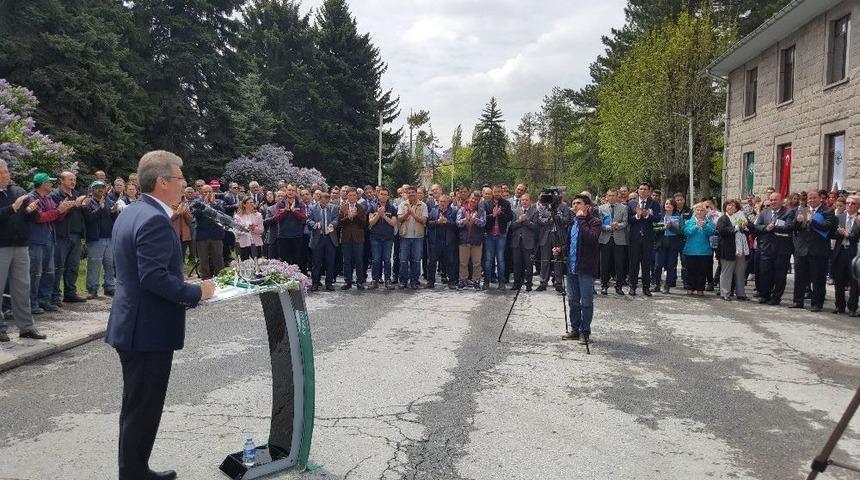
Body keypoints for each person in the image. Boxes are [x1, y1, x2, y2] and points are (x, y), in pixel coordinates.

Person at [105, 151, 215, 480]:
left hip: (132, 323)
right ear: (163, 181)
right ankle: (134, 474)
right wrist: (197, 292)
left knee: (136, 407)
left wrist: (183, 283)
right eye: (181, 179)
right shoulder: (153, 218)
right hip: (146, 329)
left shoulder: (133, 212)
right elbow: (152, 278)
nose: (185, 185)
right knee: (143, 408)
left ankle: (135, 469)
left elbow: (144, 271)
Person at [0, 160, 46, 341]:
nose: (6, 175)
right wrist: (13, 208)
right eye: (2, 172)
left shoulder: (18, 191)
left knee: (22, 288)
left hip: (21, 246)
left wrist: (30, 210)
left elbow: (32, 218)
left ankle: (26, 327)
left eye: (6, 171)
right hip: (1, 246)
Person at [561, 194, 602, 344]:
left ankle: (585, 332)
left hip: (586, 268)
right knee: (573, 300)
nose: (575, 206)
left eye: (578, 203)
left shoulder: (595, 222)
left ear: (587, 206)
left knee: (586, 302)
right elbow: (571, 244)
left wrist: (581, 220)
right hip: (572, 267)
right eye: (573, 203)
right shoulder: (572, 223)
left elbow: (591, 238)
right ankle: (575, 329)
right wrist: (561, 249)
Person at [28, 172, 70, 314]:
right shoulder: (31, 198)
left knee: (49, 271)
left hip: (50, 238)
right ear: (43, 184)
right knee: (35, 273)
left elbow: (56, 217)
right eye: (49, 182)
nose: (52, 184)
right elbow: (39, 217)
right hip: (37, 240)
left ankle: (44, 300)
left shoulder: (47, 198)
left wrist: (63, 210)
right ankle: (32, 303)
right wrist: (58, 210)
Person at [790, 190, 836, 312]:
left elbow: (827, 227)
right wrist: (797, 222)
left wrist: (813, 221)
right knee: (799, 278)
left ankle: (817, 303)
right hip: (802, 250)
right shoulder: (802, 210)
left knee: (818, 278)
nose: (811, 200)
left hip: (818, 251)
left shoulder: (827, 211)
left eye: (814, 198)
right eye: (809, 198)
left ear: (820, 199)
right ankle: (798, 301)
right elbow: (794, 229)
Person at [50, 171, 88, 304]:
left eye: (74, 179)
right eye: (70, 179)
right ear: (61, 181)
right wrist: (74, 205)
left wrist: (84, 206)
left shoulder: (77, 195)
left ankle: (70, 293)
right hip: (61, 235)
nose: (73, 182)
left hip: (76, 235)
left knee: (73, 266)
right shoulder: (55, 195)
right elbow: (56, 213)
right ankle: (54, 295)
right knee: (58, 266)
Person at [83, 180, 118, 299]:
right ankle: (92, 289)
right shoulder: (88, 202)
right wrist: (101, 209)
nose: (100, 189)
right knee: (94, 265)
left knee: (109, 264)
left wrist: (113, 212)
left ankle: (109, 287)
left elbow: (113, 219)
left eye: (102, 187)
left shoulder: (109, 201)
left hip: (109, 238)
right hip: (95, 239)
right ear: (92, 189)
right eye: (97, 187)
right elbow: (89, 218)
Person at [627, 182, 662, 296]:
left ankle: (646, 287)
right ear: (638, 190)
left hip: (648, 238)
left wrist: (647, 215)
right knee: (634, 264)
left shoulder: (654, 204)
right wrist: (637, 216)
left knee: (646, 264)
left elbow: (657, 219)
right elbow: (628, 219)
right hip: (635, 238)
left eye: (645, 189)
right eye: (640, 189)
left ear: (649, 191)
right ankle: (632, 286)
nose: (642, 191)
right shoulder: (632, 203)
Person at [715, 199, 751, 301]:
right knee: (727, 271)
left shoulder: (741, 216)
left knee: (740, 272)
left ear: (736, 208)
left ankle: (741, 293)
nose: (731, 207)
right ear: (725, 207)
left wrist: (746, 226)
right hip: (728, 249)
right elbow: (722, 230)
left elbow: (751, 227)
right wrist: (735, 228)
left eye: (733, 206)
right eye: (728, 205)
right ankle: (725, 293)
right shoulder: (723, 218)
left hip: (741, 249)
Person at [831, 195, 859, 316]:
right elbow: (832, 234)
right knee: (839, 280)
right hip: (840, 251)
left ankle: (852, 307)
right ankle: (839, 305)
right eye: (847, 203)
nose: (849, 205)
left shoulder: (859, 219)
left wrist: (847, 234)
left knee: (854, 282)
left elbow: (856, 237)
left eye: (853, 203)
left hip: (853, 253)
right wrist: (838, 233)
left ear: (858, 206)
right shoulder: (839, 217)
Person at [598, 189, 628, 295]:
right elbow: (598, 223)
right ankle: (604, 285)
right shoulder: (601, 208)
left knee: (619, 264)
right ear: (606, 197)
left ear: (617, 196)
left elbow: (625, 222)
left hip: (619, 239)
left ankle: (619, 286)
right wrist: (607, 227)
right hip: (605, 239)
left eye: (614, 195)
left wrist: (617, 226)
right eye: (609, 195)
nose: (611, 197)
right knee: (604, 263)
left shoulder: (623, 208)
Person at [191, 185, 225, 280]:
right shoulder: (196, 202)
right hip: (202, 235)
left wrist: (213, 203)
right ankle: (205, 278)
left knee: (218, 257)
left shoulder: (218, 202)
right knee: (203, 259)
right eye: (205, 192)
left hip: (216, 234)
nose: (208, 194)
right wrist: (205, 204)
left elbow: (222, 214)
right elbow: (196, 214)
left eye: (209, 192)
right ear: (201, 193)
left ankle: (221, 276)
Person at [397, 185, 428, 290]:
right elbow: (399, 219)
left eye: (412, 193)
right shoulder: (403, 204)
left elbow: (424, 221)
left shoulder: (423, 205)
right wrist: (407, 213)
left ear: (416, 193)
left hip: (417, 236)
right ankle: (403, 281)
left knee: (416, 260)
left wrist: (413, 214)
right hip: (405, 236)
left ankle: (414, 281)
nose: (411, 194)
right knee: (403, 260)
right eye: (409, 193)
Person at [307, 192, 339, 291]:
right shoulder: (312, 208)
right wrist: (316, 224)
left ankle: (329, 283)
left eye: (327, 201)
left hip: (330, 238)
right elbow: (308, 220)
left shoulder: (333, 208)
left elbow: (336, 219)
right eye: (323, 201)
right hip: (318, 238)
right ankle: (315, 283)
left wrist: (332, 224)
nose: (325, 203)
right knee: (316, 262)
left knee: (330, 262)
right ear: (319, 199)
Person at [483, 185, 513, 290]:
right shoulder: (486, 203)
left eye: (499, 191)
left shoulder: (506, 203)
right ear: (492, 192)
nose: (496, 193)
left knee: (500, 259)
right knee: (488, 260)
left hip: (501, 235)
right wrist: (493, 215)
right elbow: (483, 219)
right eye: (495, 191)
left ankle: (501, 282)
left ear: (501, 192)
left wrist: (500, 214)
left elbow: (510, 217)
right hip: (489, 235)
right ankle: (486, 282)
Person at [426, 194, 459, 289]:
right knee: (432, 262)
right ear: (438, 202)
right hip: (435, 241)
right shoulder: (433, 211)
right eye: (441, 201)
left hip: (448, 241)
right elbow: (428, 224)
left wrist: (446, 222)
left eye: (444, 202)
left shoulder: (453, 211)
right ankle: (430, 281)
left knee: (450, 262)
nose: (442, 203)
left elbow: (457, 226)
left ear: (448, 203)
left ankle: (452, 281)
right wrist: (437, 222)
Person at [367, 187, 397, 290]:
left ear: (388, 196)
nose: (383, 196)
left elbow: (393, 223)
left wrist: (383, 215)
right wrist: (378, 215)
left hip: (388, 238)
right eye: (381, 194)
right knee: (376, 260)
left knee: (387, 260)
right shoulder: (372, 206)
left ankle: (388, 280)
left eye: (385, 194)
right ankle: (375, 280)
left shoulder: (392, 208)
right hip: (375, 237)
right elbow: (370, 223)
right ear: (378, 195)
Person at [682, 203, 715, 296]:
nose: (700, 212)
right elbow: (687, 232)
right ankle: (690, 287)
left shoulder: (708, 222)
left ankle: (700, 289)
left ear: (705, 212)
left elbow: (711, 232)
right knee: (690, 271)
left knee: (702, 271)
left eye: (702, 210)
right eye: (698, 210)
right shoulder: (689, 221)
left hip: (704, 251)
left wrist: (704, 226)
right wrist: (696, 226)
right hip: (690, 251)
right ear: (694, 211)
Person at [339, 188, 367, 290]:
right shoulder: (342, 207)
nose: (352, 197)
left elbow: (364, 224)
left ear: (357, 196)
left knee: (359, 260)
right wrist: (348, 217)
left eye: (354, 195)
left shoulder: (361, 207)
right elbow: (340, 223)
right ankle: (348, 281)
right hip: (346, 238)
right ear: (347, 196)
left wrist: (355, 216)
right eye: (350, 195)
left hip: (358, 238)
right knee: (347, 261)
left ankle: (360, 281)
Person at [457, 192, 486, 290]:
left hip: (476, 240)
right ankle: (463, 280)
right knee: (463, 262)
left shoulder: (481, 211)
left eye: (476, 200)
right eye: (473, 198)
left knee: (477, 263)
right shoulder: (462, 209)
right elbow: (458, 223)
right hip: (464, 240)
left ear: (479, 201)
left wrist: (475, 220)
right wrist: (465, 220)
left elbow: (483, 223)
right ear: (469, 198)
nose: (474, 201)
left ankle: (476, 281)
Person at [509, 193, 538, 291]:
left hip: (528, 242)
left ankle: (528, 284)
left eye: (526, 200)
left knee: (528, 264)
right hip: (516, 241)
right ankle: (517, 283)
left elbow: (535, 227)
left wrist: (526, 221)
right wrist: (519, 221)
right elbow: (511, 226)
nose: (524, 202)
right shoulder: (515, 211)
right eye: (522, 200)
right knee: (517, 263)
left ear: (530, 201)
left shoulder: (535, 211)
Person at [274, 184, 308, 268]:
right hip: (283, 236)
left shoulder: (300, 204)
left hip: (297, 236)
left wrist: (293, 211)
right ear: (286, 191)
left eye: (293, 190)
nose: (291, 192)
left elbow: (304, 219)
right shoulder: (280, 203)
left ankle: (297, 279)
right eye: (289, 190)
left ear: (296, 192)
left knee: (297, 260)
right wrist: (285, 211)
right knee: (284, 261)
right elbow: (277, 218)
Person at [653, 198, 683, 294]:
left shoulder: (678, 216)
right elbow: (654, 229)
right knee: (658, 265)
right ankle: (657, 284)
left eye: (670, 204)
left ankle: (667, 285)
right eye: (666, 204)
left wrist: (672, 227)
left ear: (674, 206)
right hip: (660, 244)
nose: (668, 205)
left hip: (673, 244)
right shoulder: (659, 216)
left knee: (670, 266)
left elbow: (681, 231)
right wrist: (664, 227)